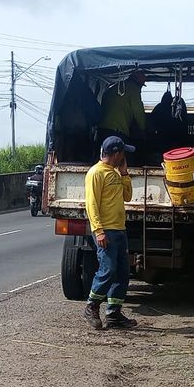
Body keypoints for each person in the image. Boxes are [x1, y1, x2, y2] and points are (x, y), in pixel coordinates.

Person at [83, 136, 138, 330]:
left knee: (123, 272)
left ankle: (114, 313)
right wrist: (98, 231)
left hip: (119, 230)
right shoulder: (96, 173)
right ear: (116, 153)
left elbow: (128, 196)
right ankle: (91, 306)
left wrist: (124, 174)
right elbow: (92, 205)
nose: (124, 156)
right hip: (106, 230)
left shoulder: (114, 173)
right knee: (107, 270)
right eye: (123, 153)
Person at [97, 71, 147, 153]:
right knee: (117, 158)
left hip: (102, 129)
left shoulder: (113, 88)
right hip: (117, 131)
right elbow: (138, 112)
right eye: (141, 85)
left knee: (102, 156)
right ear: (138, 83)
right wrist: (143, 129)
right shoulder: (134, 89)